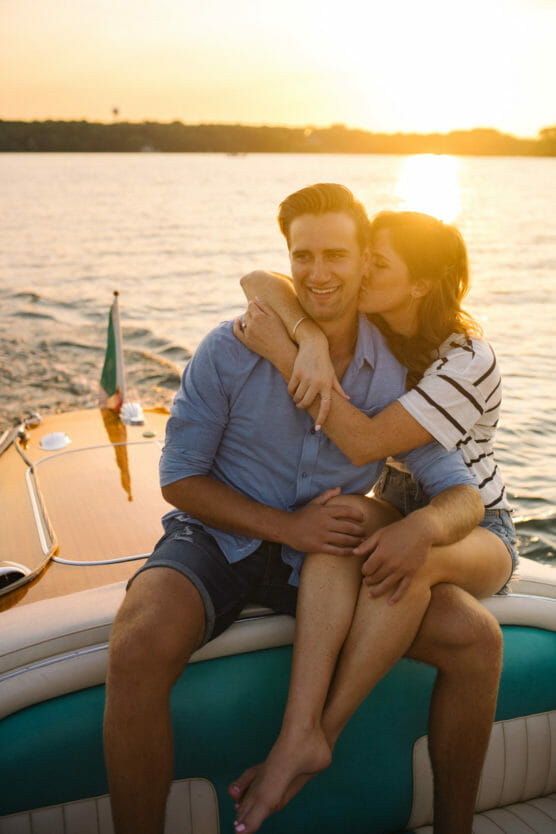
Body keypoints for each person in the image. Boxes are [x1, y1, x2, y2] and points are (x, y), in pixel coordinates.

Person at [103, 184, 493, 834]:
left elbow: (462, 495)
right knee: (135, 646)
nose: (318, 273)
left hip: (321, 565)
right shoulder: (229, 348)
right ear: (287, 258)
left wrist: (424, 529)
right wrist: (289, 527)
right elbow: (178, 480)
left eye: (336, 254)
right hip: (215, 539)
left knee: (477, 637)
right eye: (302, 256)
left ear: (366, 259)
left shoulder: (394, 377)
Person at [229, 207, 517, 834]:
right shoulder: (375, 330)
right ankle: (302, 732)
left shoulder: (468, 359)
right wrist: (306, 335)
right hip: (394, 503)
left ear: (419, 283)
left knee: (408, 560)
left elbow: (361, 443)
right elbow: (258, 280)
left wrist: (283, 350)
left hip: (475, 524)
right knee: (331, 520)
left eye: (377, 264)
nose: (357, 273)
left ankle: (312, 740)